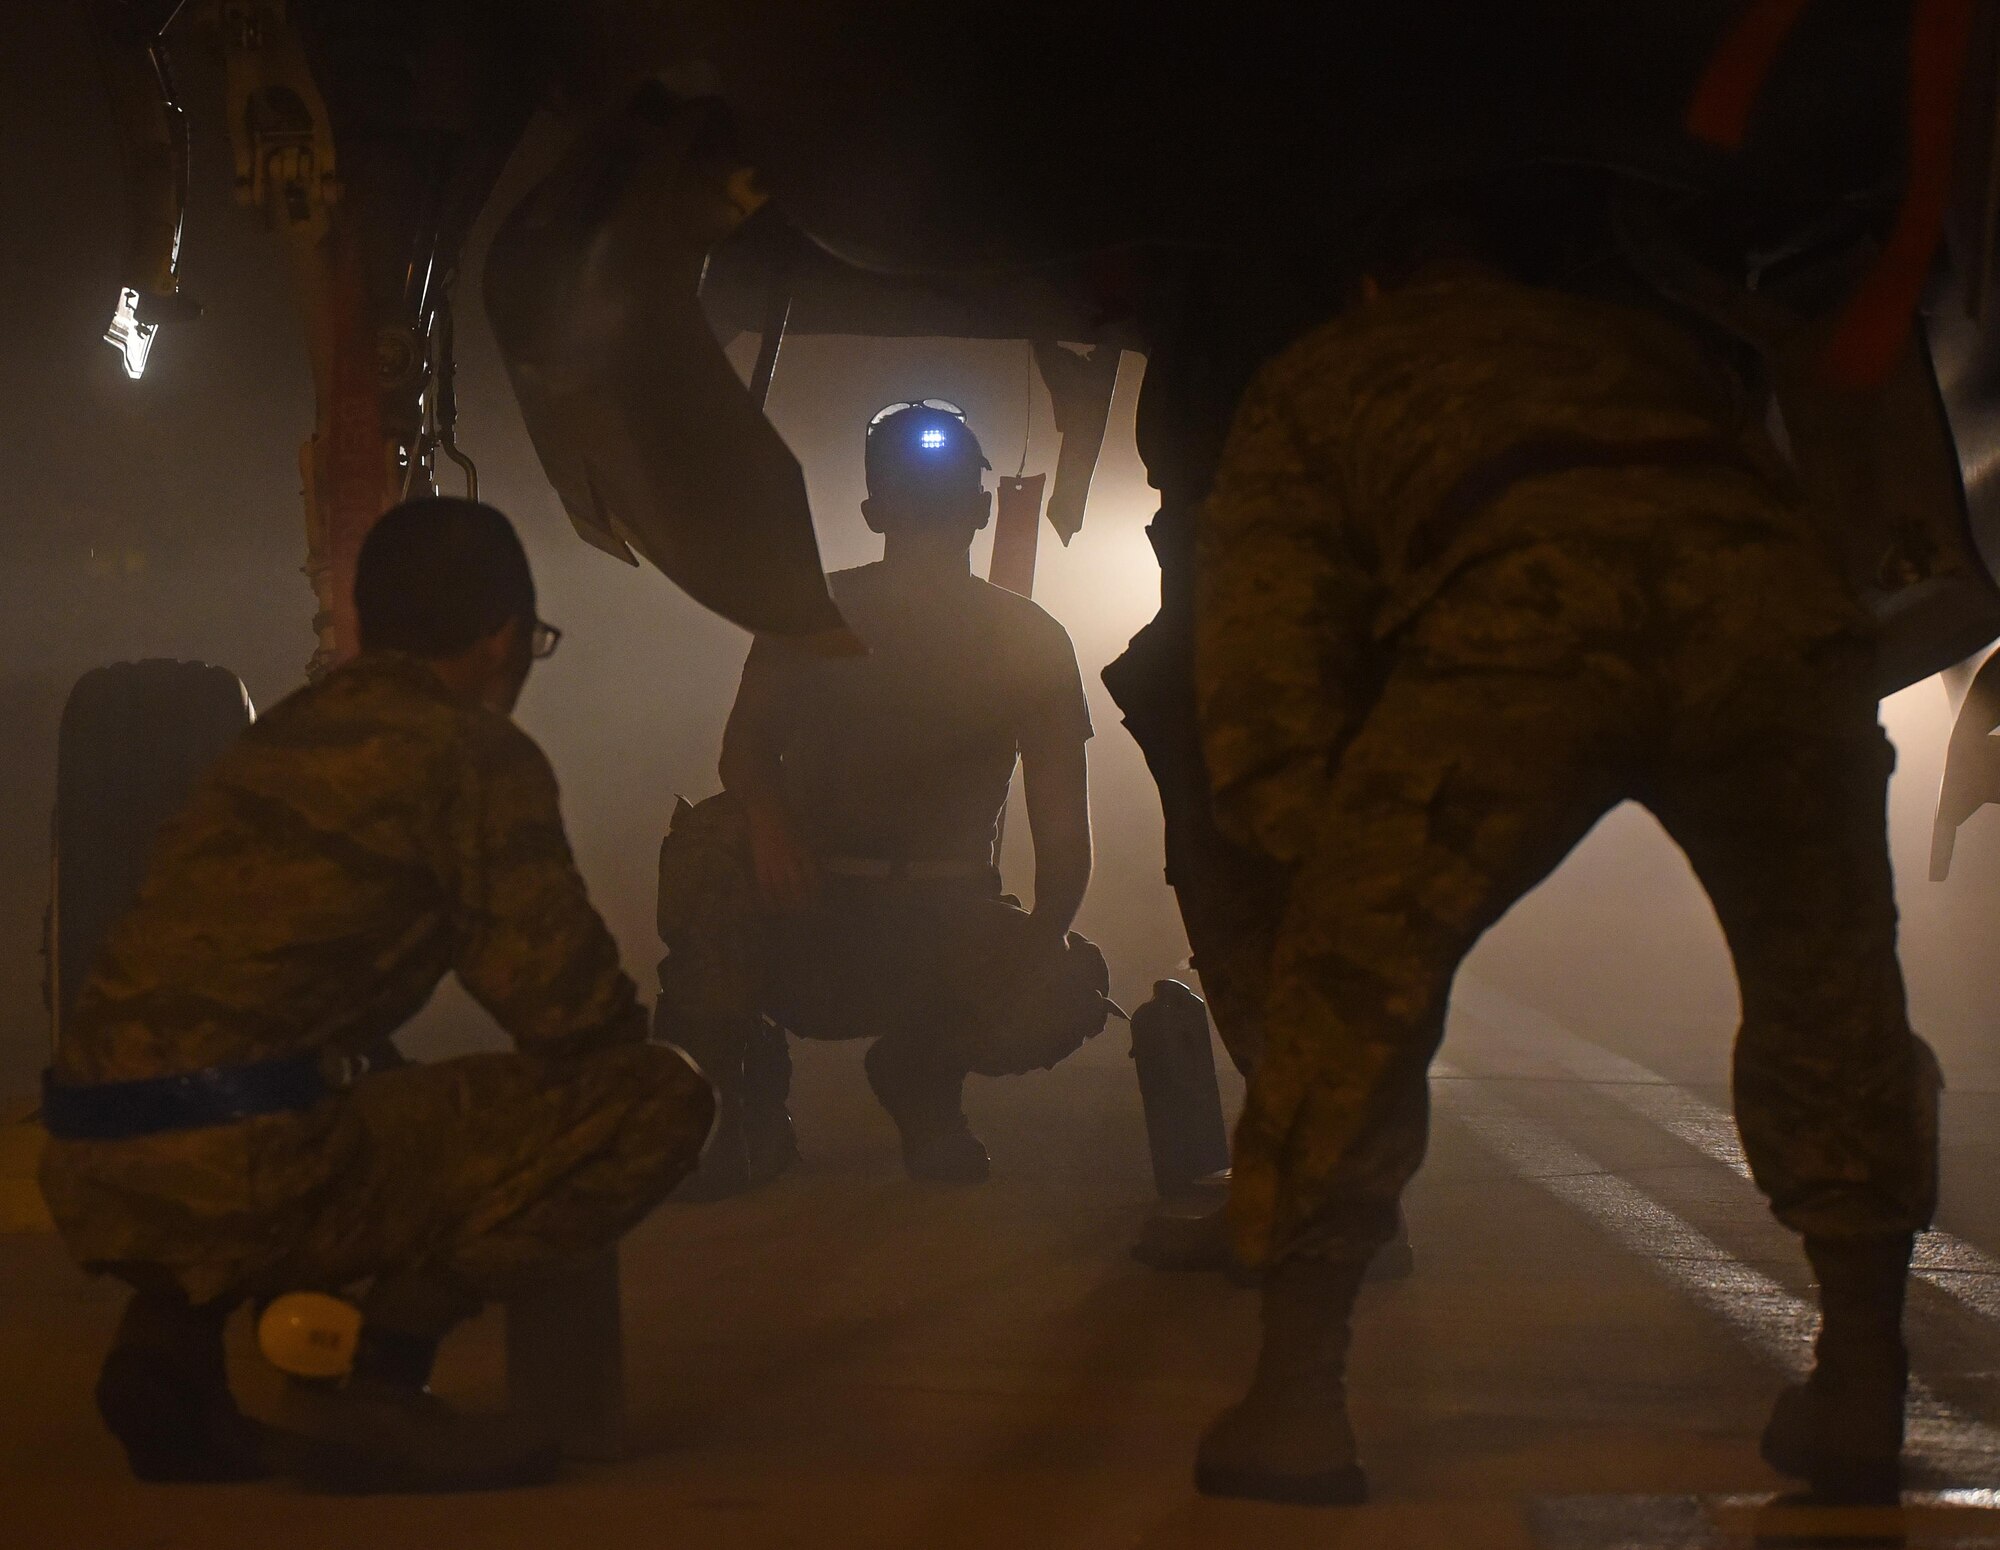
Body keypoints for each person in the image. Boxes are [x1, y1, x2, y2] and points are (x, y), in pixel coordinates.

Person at [1188, 217, 1940, 1507]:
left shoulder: (1327, 365)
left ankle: (1296, 1400)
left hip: (1523, 608)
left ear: (1375, 273)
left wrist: (1316, 855)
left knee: (1350, 993)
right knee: (1830, 992)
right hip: (1772, 617)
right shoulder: (1641, 344)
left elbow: (1269, 630)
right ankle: (1861, 1379)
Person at [39, 497, 715, 1492]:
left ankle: (169, 1361)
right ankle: (380, 1377)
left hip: (93, 1166)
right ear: (503, 638)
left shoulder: (279, 736)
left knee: (308, 1078)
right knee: (656, 1095)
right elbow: (572, 1016)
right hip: (250, 1170)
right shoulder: (470, 750)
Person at [656, 400, 1108, 1192]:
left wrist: (1036, 952)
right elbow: (746, 749)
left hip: (941, 918)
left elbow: (1064, 839)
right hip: (808, 904)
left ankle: (922, 1081)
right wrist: (767, 823)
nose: (930, 509)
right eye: (913, 491)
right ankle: (735, 1102)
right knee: (712, 855)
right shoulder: (813, 612)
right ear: (873, 511)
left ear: (974, 509)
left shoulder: (1029, 639)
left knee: (1068, 990)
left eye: (939, 492)